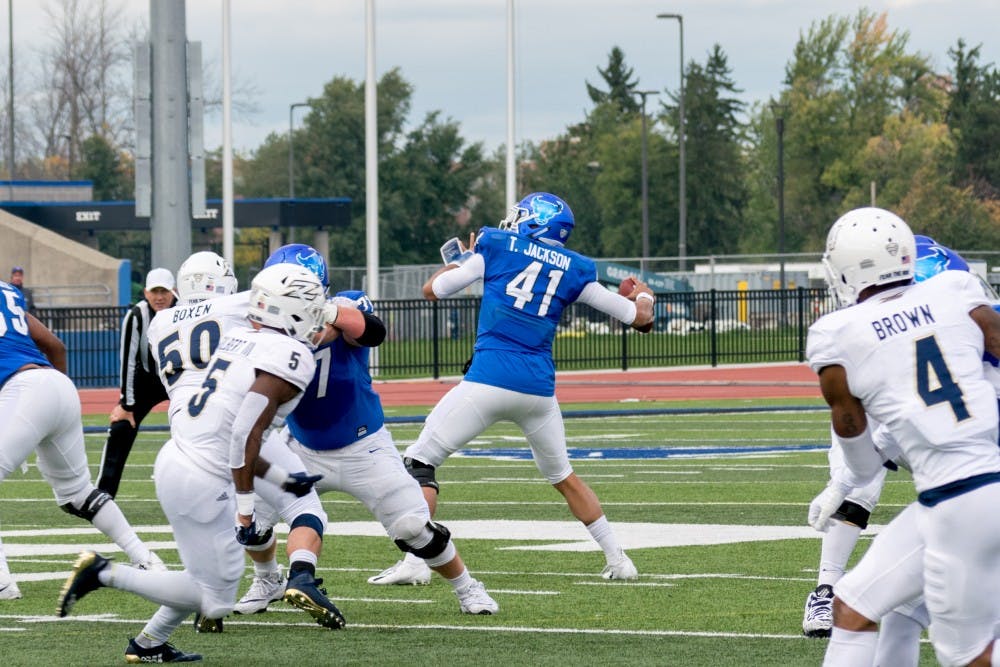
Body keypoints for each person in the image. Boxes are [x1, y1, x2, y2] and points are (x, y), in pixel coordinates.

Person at [371, 192, 654, 585]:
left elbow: (434, 290)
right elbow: (638, 318)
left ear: (535, 222)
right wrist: (643, 294)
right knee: (563, 476)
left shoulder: (497, 246)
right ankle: (619, 560)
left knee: (420, 461)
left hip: (488, 380)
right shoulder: (575, 268)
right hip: (538, 390)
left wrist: (464, 260)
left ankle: (418, 563)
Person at [57, 263, 333, 662]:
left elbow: (235, 436)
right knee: (215, 597)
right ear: (286, 309)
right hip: (204, 475)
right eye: (309, 306)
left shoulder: (236, 337)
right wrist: (245, 509)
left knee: (206, 575)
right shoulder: (287, 352)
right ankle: (101, 572)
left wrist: (281, 479)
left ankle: (147, 644)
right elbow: (242, 437)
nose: (316, 316)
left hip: (182, 452)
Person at [233, 244, 499, 616]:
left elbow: (370, 331)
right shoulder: (261, 326)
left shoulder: (344, 307)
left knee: (412, 527)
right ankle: (267, 580)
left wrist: (320, 312)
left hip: (364, 447)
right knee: (252, 520)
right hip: (300, 446)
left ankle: (468, 586)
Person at [805, 207, 1000, 666]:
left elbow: (865, 463)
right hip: (952, 496)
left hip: (960, 501)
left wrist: (843, 482)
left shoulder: (837, 335)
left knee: (969, 656)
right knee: (853, 606)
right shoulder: (956, 291)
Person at [146, 249, 349, 630]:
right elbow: (285, 297)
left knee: (221, 525)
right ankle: (301, 575)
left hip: (184, 427)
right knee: (300, 506)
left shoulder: (158, 323)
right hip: (233, 415)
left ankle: (215, 600)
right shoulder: (233, 307)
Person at [0, 276, 163, 601]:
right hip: (56, 384)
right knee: (77, 494)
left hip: (23, 389)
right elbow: (56, 346)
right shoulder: (7, 290)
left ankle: (3, 585)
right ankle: (147, 560)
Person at [97, 267, 178, 497]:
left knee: (195, 428)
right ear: (145, 292)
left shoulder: (185, 311)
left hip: (178, 377)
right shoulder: (136, 315)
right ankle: (103, 494)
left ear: (174, 291)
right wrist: (126, 405)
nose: (159, 297)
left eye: (164, 291)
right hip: (147, 379)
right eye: (154, 292)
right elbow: (128, 361)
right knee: (122, 427)